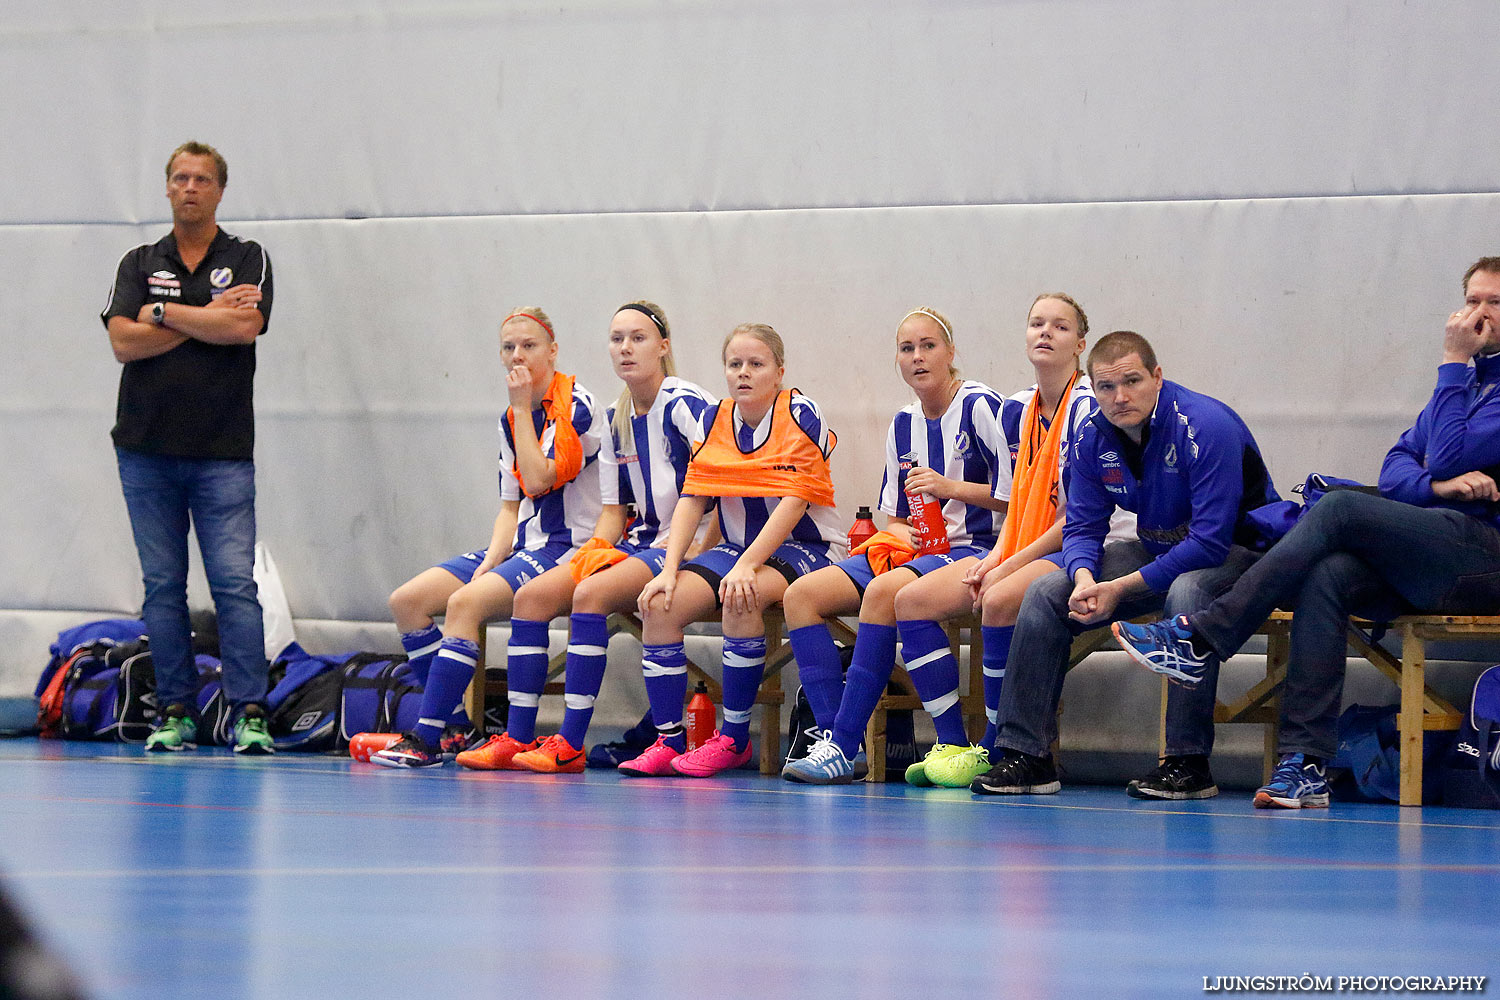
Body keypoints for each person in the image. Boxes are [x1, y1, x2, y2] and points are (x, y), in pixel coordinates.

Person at [1114, 257, 1500, 808]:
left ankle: (1202, 637)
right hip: (1438, 546)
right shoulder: (1461, 390)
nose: (1478, 315)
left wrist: (1452, 361)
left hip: (1486, 558)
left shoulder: (1460, 378)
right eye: (1472, 301)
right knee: (1330, 574)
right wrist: (1437, 489)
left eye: (1494, 303)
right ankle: (1306, 764)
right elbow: (1398, 468)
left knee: (1341, 510)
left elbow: (1443, 453)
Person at [972, 330, 1279, 799]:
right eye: (1106, 387)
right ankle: (1026, 756)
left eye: (1132, 382)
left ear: (1157, 377)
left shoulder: (1205, 426)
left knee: (1187, 594)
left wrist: (1120, 588)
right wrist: (1084, 578)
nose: (1119, 397)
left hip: (1242, 555)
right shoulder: (1092, 436)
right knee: (1046, 593)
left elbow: (1211, 544)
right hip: (1161, 548)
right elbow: (1082, 527)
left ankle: (1187, 762)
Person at [466, 302, 715, 773]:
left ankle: (570, 742)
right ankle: (516, 738)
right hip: (641, 541)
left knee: (590, 594)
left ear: (663, 346)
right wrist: (593, 553)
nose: (625, 348)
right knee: (533, 596)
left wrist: (693, 554)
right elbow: (614, 512)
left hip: (686, 544)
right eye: (617, 338)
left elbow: (718, 490)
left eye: (638, 338)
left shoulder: (686, 404)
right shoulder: (617, 415)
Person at [778, 306, 1009, 784]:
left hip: (983, 546)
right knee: (801, 597)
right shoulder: (902, 424)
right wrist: (902, 538)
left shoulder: (982, 406)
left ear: (951, 353)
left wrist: (952, 488)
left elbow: (1021, 498)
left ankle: (868, 745)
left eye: (929, 346)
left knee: (886, 595)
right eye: (908, 349)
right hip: (925, 551)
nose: (918, 357)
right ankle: (832, 739)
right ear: (898, 360)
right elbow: (899, 518)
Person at [101, 141, 276, 755]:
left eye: (203, 179)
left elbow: (243, 327)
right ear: (168, 188)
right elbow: (123, 342)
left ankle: (249, 710)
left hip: (222, 453)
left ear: (220, 190)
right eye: (181, 178)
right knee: (162, 587)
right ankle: (174, 710)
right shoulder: (139, 260)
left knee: (234, 585)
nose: (191, 187)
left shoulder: (247, 256)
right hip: (145, 451)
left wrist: (163, 313)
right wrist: (201, 314)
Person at [371, 307, 604, 768]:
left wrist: (520, 408)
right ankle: (457, 728)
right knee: (407, 601)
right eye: (508, 347)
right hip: (525, 543)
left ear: (553, 352)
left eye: (529, 346)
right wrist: (491, 560)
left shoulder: (577, 405)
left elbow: (538, 480)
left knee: (463, 605)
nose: (517, 356)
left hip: (569, 547)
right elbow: (509, 507)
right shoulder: (509, 419)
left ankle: (425, 736)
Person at [625, 323, 845, 777]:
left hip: (806, 545)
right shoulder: (715, 419)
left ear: (779, 372)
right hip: (737, 547)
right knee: (660, 605)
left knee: (740, 594)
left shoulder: (800, 412)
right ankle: (668, 741)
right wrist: (669, 568)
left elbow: (795, 499)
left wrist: (747, 565)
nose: (743, 373)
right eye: (735, 364)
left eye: (756, 364)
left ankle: (733, 738)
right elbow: (694, 496)